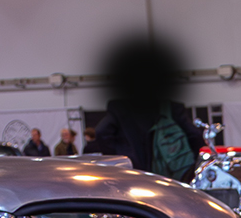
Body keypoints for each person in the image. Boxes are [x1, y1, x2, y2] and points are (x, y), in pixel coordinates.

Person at [87, 35, 205, 178]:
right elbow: (195, 135)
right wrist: (185, 161)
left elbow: (101, 132)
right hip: (170, 172)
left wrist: (119, 156)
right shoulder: (170, 107)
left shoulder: (119, 107)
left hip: (134, 171)